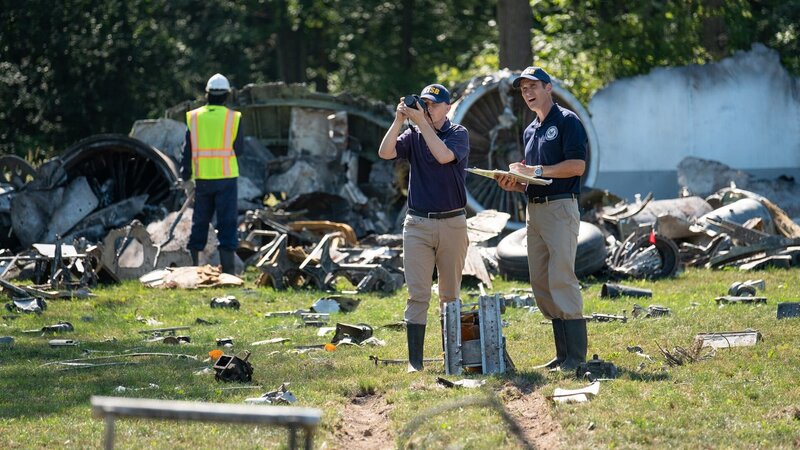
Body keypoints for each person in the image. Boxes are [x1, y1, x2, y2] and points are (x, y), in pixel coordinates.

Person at [495, 66, 588, 372]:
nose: (528, 93)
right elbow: (534, 179)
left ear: (548, 88)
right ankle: (562, 355)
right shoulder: (530, 130)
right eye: (523, 89)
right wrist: (515, 181)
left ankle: (576, 357)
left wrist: (534, 171)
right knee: (540, 283)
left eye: (533, 86)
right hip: (534, 210)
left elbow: (576, 166)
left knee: (561, 277)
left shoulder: (567, 121)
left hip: (561, 207)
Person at [378, 84, 470, 372]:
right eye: (425, 104)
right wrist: (399, 120)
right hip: (417, 223)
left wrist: (420, 124)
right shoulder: (414, 134)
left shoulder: (458, 134)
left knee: (449, 294)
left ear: (447, 107)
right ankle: (414, 363)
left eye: (433, 104)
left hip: (452, 222)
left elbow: (443, 156)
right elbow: (385, 152)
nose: (427, 109)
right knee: (418, 293)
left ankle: (450, 358)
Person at [180, 73, 243, 275]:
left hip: (203, 179)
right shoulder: (234, 118)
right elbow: (239, 150)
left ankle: (192, 270)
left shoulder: (194, 117)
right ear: (227, 95)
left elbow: (187, 150)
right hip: (226, 178)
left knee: (200, 222)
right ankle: (229, 274)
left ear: (207, 94)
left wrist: (185, 174)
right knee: (227, 224)